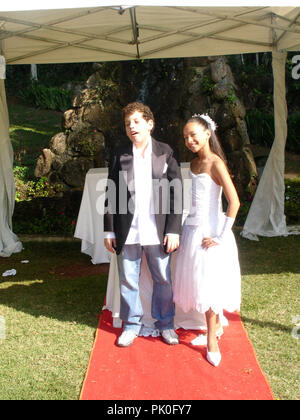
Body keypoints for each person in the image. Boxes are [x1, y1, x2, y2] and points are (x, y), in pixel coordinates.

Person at [104, 102, 183, 347]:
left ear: (150, 124)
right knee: (128, 279)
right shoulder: (120, 154)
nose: (132, 127)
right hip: (128, 228)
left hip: (157, 230)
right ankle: (131, 325)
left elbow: (176, 193)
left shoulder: (165, 152)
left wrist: (173, 229)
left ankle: (166, 324)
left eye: (137, 121)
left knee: (163, 279)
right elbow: (111, 193)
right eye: (128, 123)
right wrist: (109, 229)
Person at [173, 114, 241, 367]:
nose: (190, 140)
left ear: (206, 133)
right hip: (192, 229)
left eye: (193, 135)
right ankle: (213, 330)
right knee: (199, 284)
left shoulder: (215, 163)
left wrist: (222, 236)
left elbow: (234, 201)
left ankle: (212, 340)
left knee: (209, 287)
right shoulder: (193, 164)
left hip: (209, 233)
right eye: (186, 137)